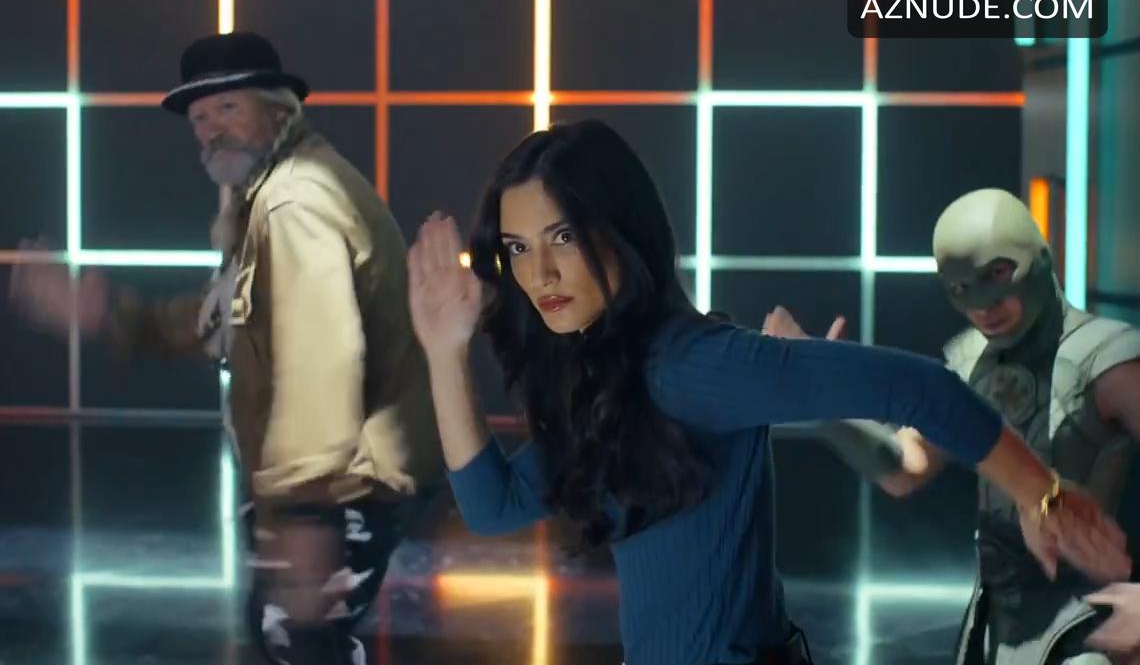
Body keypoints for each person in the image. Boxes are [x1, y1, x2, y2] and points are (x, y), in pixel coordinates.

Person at [402, 119, 1129, 665]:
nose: (539, 275)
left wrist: (1042, 496)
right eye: (519, 248)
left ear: (619, 231)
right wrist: (443, 349)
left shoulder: (695, 366)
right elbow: (494, 505)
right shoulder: (608, 378)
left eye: (562, 237)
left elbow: (924, 389)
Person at [9, 31, 443, 665]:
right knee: (287, 633)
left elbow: (318, 361)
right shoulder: (271, 193)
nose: (211, 129)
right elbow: (228, 320)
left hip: (350, 480)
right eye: (200, 118)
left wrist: (304, 514)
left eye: (228, 108)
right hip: (343, 476)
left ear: (278, 110)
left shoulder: (296, 204)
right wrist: (107, 314)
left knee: (295, 638)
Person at [769, 188, 1140, 665]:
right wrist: (825, 400)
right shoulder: (971, 363)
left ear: (1039, 257)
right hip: (1001, 623)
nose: (984, 306)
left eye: (997, 274)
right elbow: (908, 466)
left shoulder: (1107, 360)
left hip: (1097, 624)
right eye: (962, 289)